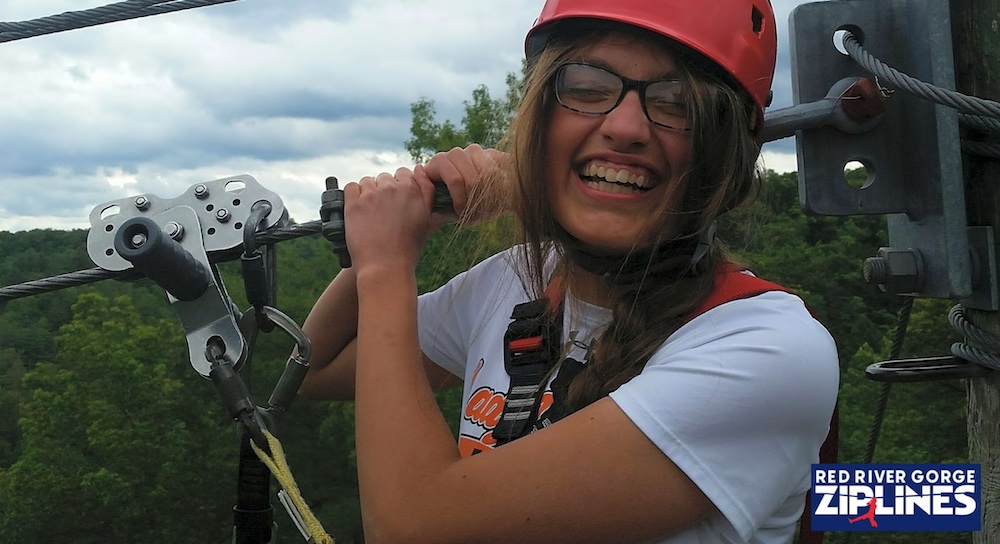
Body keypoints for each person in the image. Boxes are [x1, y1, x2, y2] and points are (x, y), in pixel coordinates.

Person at [298, 0, 839, 542]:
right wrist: (403, 228)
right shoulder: (518, 281)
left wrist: (387, 266)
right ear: (541, 117)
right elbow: (313, 369)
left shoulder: (763, 349)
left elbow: (411, 526)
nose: (625, 127)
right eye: (585, 87)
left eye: (678, 102)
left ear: (723, 153)